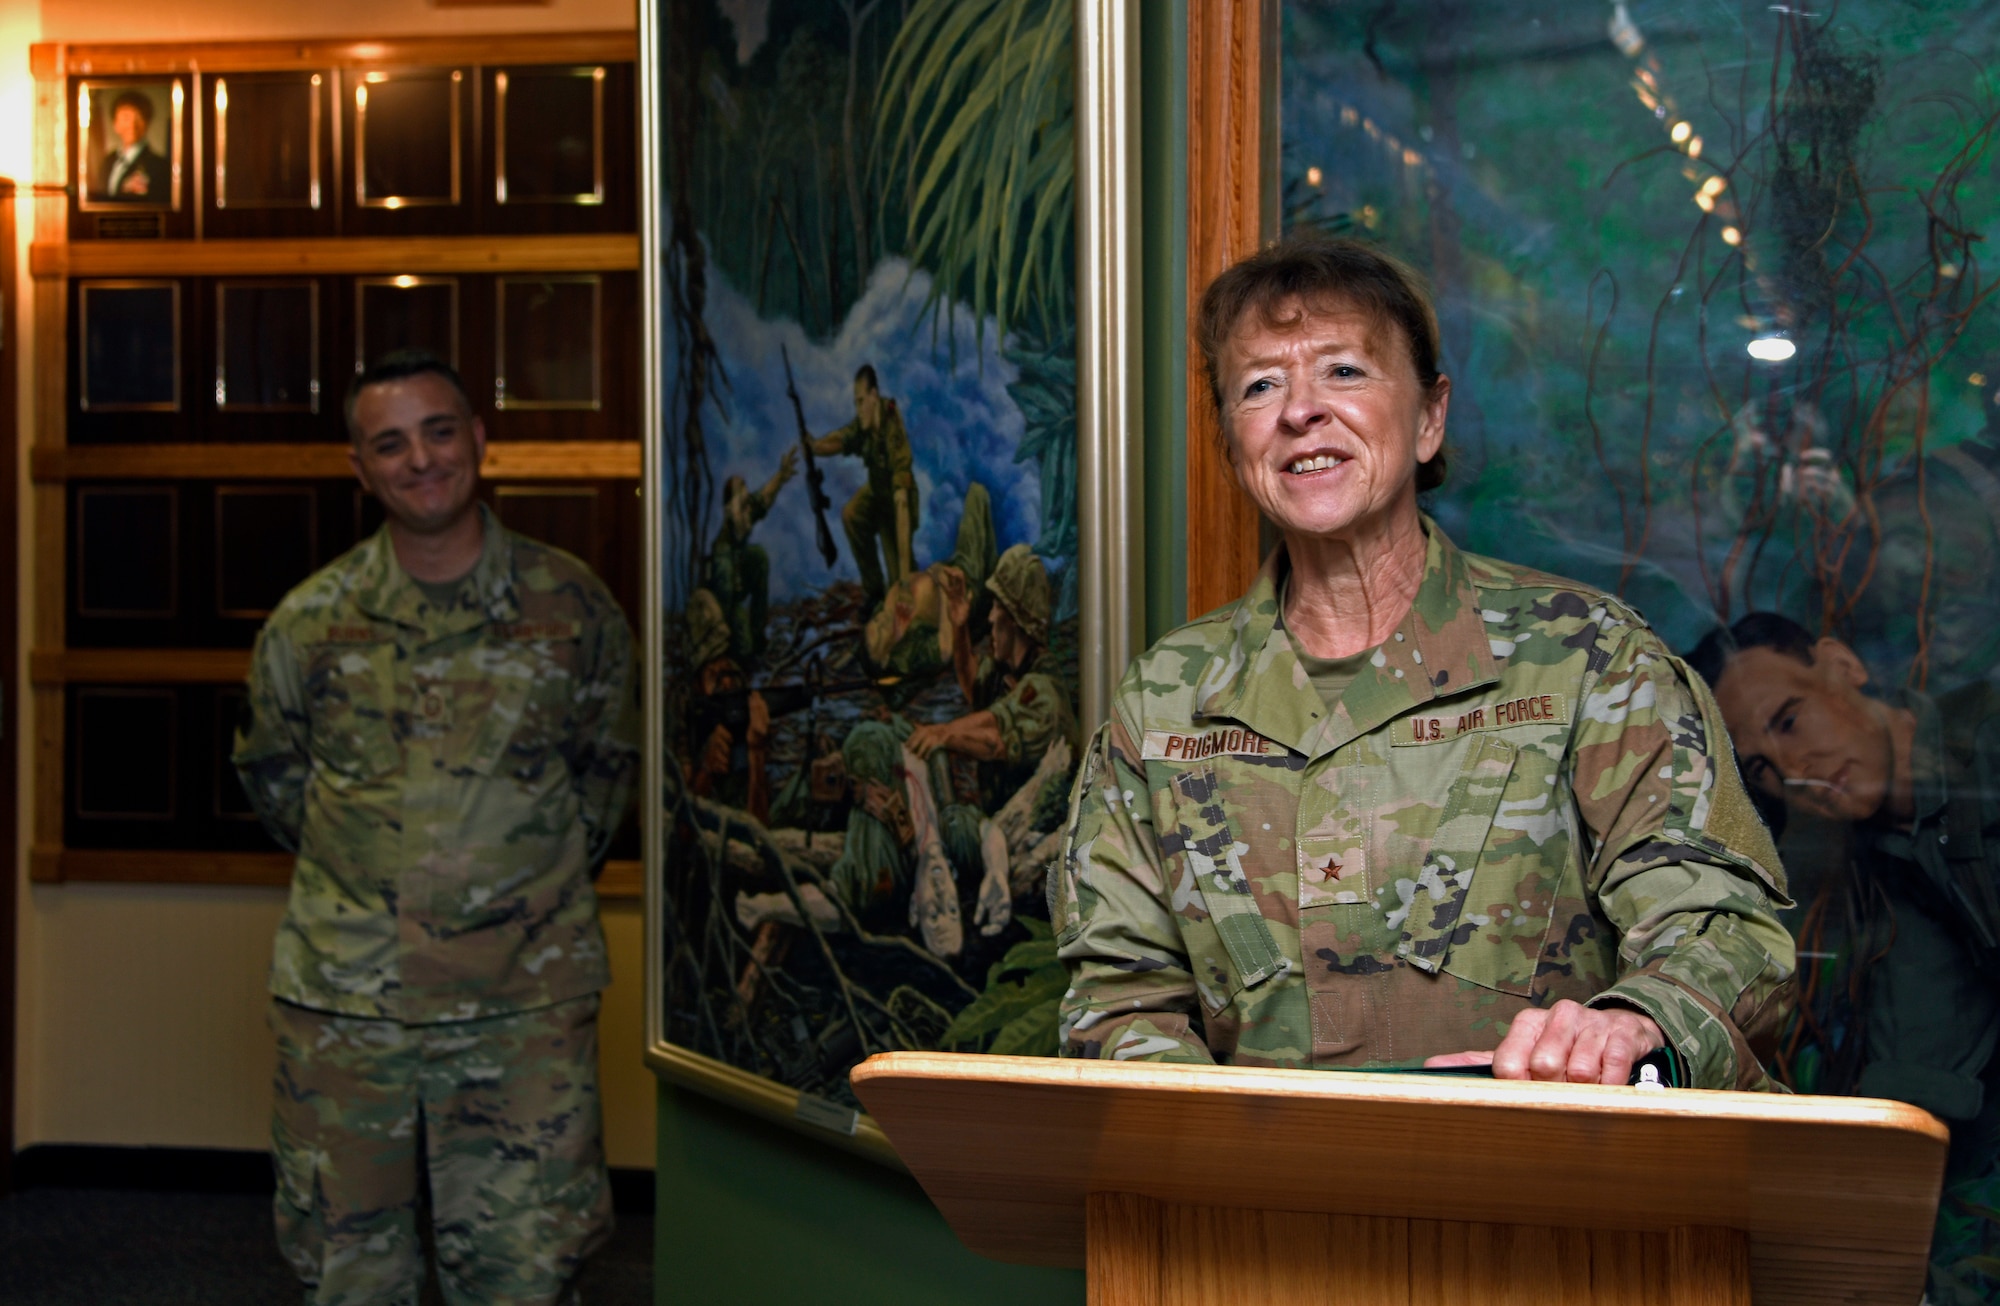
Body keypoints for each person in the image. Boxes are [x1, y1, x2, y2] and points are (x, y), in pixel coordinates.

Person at [1051, 236, 1796, 1090]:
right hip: (1260, 1211)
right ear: (1233, 445)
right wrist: (1207, 1137)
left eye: (1344, 372)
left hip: (1550, 1196)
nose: (1301, 411)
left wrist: (1640, 1022)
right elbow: (1119, 995)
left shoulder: (1588, 658)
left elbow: (1724, 925)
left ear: (1430, 416)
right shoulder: (1164, 701)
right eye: (1260, 386)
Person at [233, 349, 639, 1305]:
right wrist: (381, 882)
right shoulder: (309, 624)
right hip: (348, 1004)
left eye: (440, 431)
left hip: (521, 1007)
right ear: (360, 468)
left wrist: (503, 881)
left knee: (526, 1271)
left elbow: (606, 778)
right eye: (390, 443)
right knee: (349, 1268)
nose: (421, 459)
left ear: (479, 440)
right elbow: (275, 780)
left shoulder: (571, 608)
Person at [1689, 612, 2000, 1304]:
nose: (1793, 772)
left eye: (1791, 721)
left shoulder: (1985, 743)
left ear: (1842, 667)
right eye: (1762, 768)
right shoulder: (1897, 865)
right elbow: (1920, 1071)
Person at [811, 364, 918, 603]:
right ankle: (873, 589)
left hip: (896, 506)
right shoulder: (865, 422)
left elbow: (901, 504)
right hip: (876, 494)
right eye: (855, 403)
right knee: (852, 514)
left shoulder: (893, 431)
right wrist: (815, 446)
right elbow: (842, 438)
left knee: (901, 590)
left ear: (874, 396)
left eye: (861, 402)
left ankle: (901, 581)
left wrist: (903, 581)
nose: (858, 409)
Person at [705, 447, 798, 665]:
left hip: (740, 580)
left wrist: (781, 476)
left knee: (758, 556)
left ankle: (758, 636)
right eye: (742, 499)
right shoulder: (722, 554)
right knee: (743, 653)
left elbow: (763, 498)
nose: (748, 505)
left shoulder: (742, 518)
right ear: (730, 508)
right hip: (727, 602)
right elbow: (723, 602)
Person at [95, 89, 170, 202]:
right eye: (126, 117)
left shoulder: (159, 166)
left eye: (138, 118)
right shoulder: (107, 161)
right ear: (115, 124)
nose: (132, 124)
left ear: (147, 123)